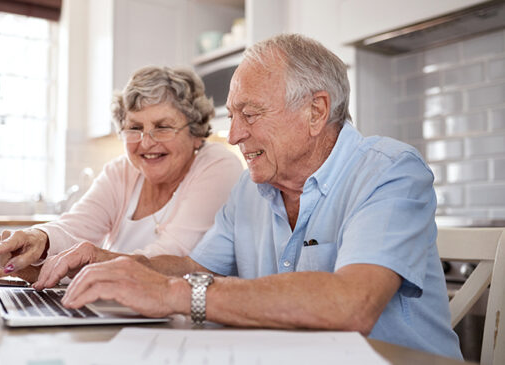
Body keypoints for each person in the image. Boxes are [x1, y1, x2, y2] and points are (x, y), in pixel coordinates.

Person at [25, 34, 464, 359]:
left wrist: (174, 294)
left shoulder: (388, 171)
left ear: (315, 111)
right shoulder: (252, 187)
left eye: (249, 114)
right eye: (232, 116)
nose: (234, 135)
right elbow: (194, 267)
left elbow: (350, 304)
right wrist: (114, 265)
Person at [0, 66, 243, 282]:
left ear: (196, 133)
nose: (146, 142)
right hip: (119, 312)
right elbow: (76, 226)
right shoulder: (121, 171)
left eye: (163, 127)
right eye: (135, 127)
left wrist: (76, 264)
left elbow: (174, 257)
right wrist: (37, 239)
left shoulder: (218, 165)